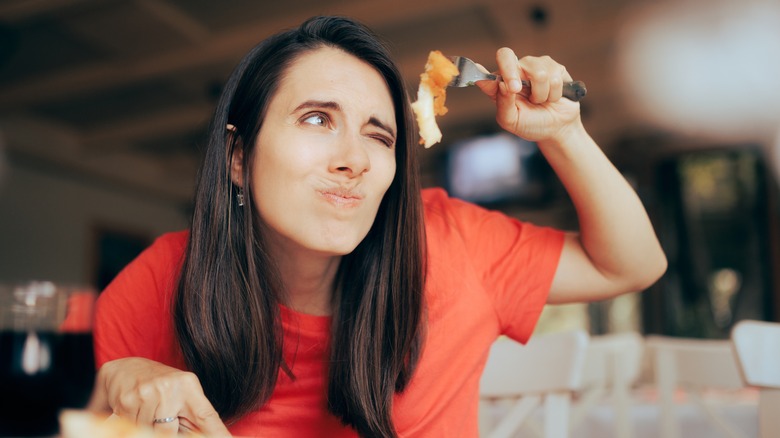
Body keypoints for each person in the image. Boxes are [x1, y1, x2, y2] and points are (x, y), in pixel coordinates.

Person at [90, 15, 667, 438]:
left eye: (379, 135)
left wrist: (564, 134)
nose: (355, 159)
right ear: (237, 157)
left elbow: (633, 263)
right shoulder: (155, 288)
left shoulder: (451, 243)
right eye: (317, 118)